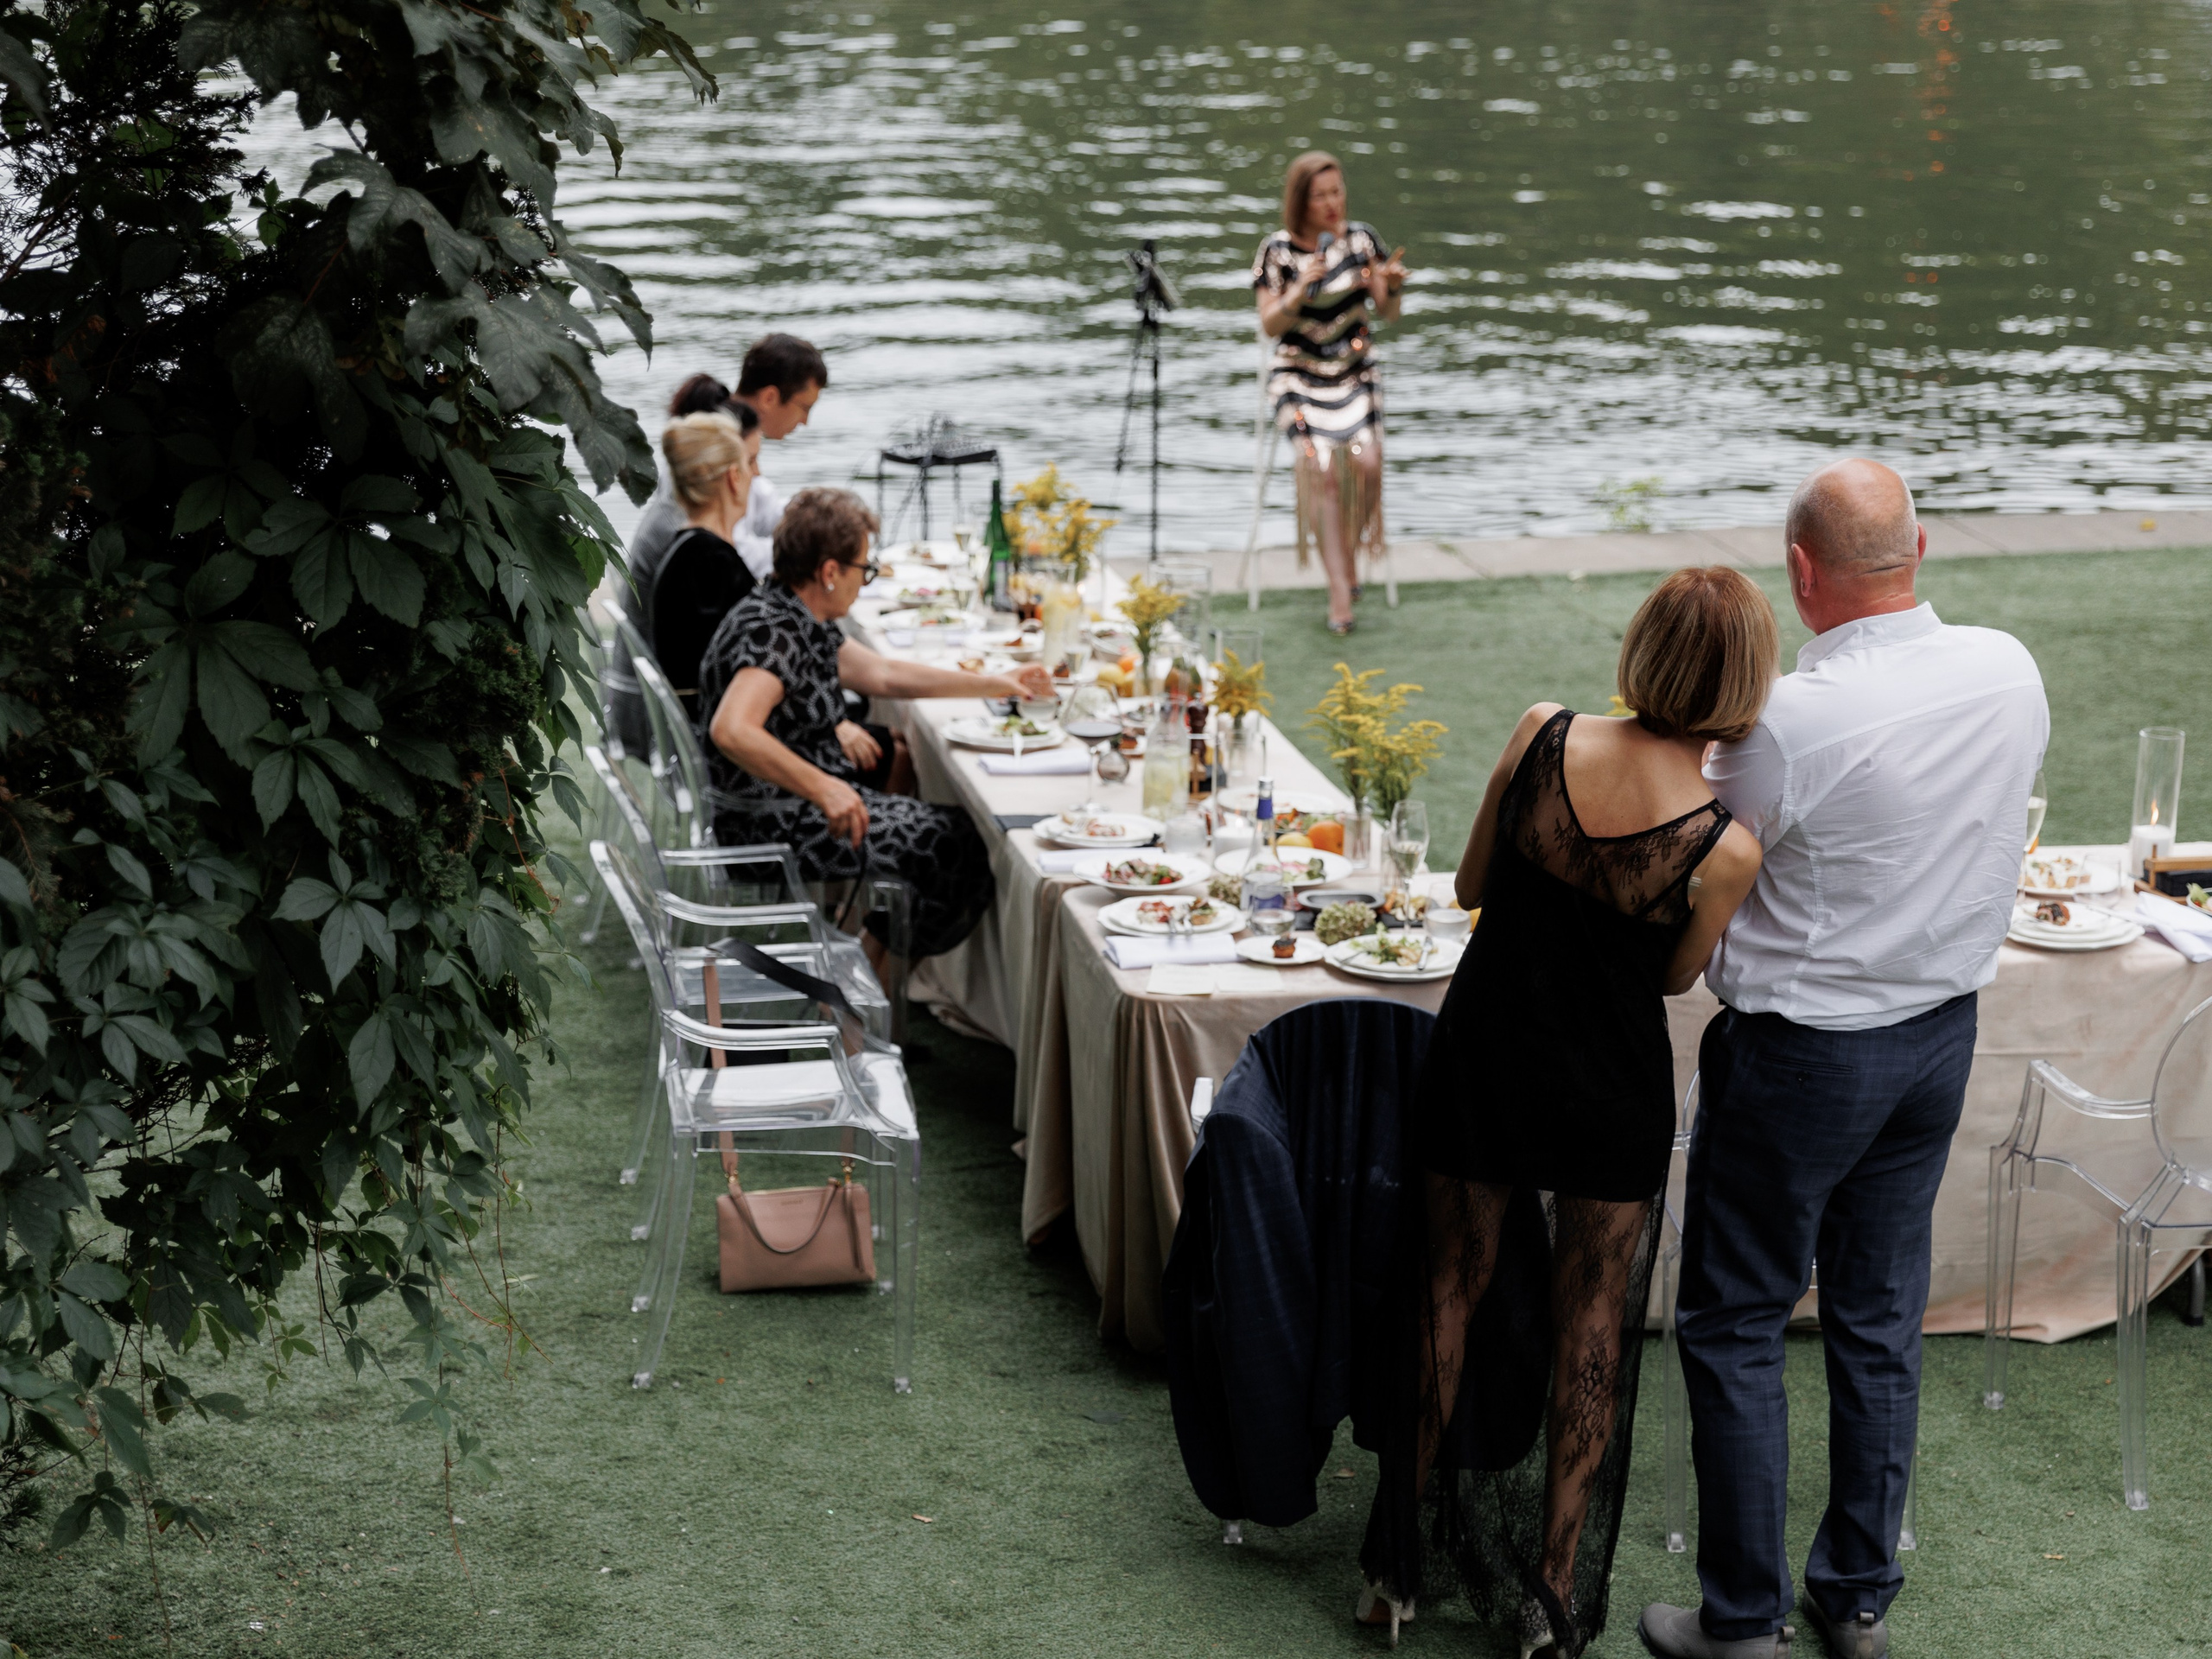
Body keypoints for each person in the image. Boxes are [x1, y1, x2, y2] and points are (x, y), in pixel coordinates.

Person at [1638, 462, 2049, 1659]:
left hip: (1805, 1058)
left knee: (1736, 1322)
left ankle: (1743, 1623)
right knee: (1878, 1319)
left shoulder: (1790, 721)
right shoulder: (2009, 667)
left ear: (1802, 576)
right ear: (1918, 545)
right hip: (1937, 1042)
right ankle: (1857, 1596)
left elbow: (1695, 855)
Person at [1360, 568, 1774, 1656]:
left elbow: (1466, 888)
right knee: (1592, 1330)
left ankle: (1391, 1566)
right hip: (1608, 1086)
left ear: (1641, 648)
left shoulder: (1543, 733)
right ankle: (1551, 1596)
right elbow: (1677, 982)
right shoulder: (1726, 847)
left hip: (1486, 1052)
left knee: (1444, 1291)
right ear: (1745, 682)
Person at [698, 487, 1055, 962]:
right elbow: (732, 730)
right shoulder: (776, 634)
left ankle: (860, 968)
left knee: (951, 827)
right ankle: (859, 985)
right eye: (863, 570)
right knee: (955, 845)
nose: (864, 582)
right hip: (771, 822)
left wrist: (994, 683)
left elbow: (884, 674)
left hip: (785, 806)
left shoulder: (791, 611)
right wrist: (825, 788)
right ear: (830, 572)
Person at [1252, 152, 1408, 636]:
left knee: (1366, 464)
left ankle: (1347, 553)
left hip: (1354, 372)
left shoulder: (1362, 241)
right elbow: (1269, 323)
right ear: (1301, 200)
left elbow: (1388, 313)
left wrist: (1394, 288)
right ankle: (1341, 588)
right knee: (1319, 468)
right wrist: (1300, 289)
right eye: (1320, 195)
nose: (1331, 203)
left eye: (1336, 192)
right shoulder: (1277, 251)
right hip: (1298, 376)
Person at [622, 334, 830, 629]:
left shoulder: (729, 444)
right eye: (804, 407)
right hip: (662, 662)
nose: (754, 475)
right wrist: (810, 550)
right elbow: (737, 557)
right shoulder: (707, 469)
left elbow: (769, 511)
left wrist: (821, 524)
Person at [651, 412, 758, 709]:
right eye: (750, 463)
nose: (756, 475)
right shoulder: (712, 562)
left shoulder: (688, 549)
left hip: (702, 721)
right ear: (734, 478)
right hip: (719, 731)